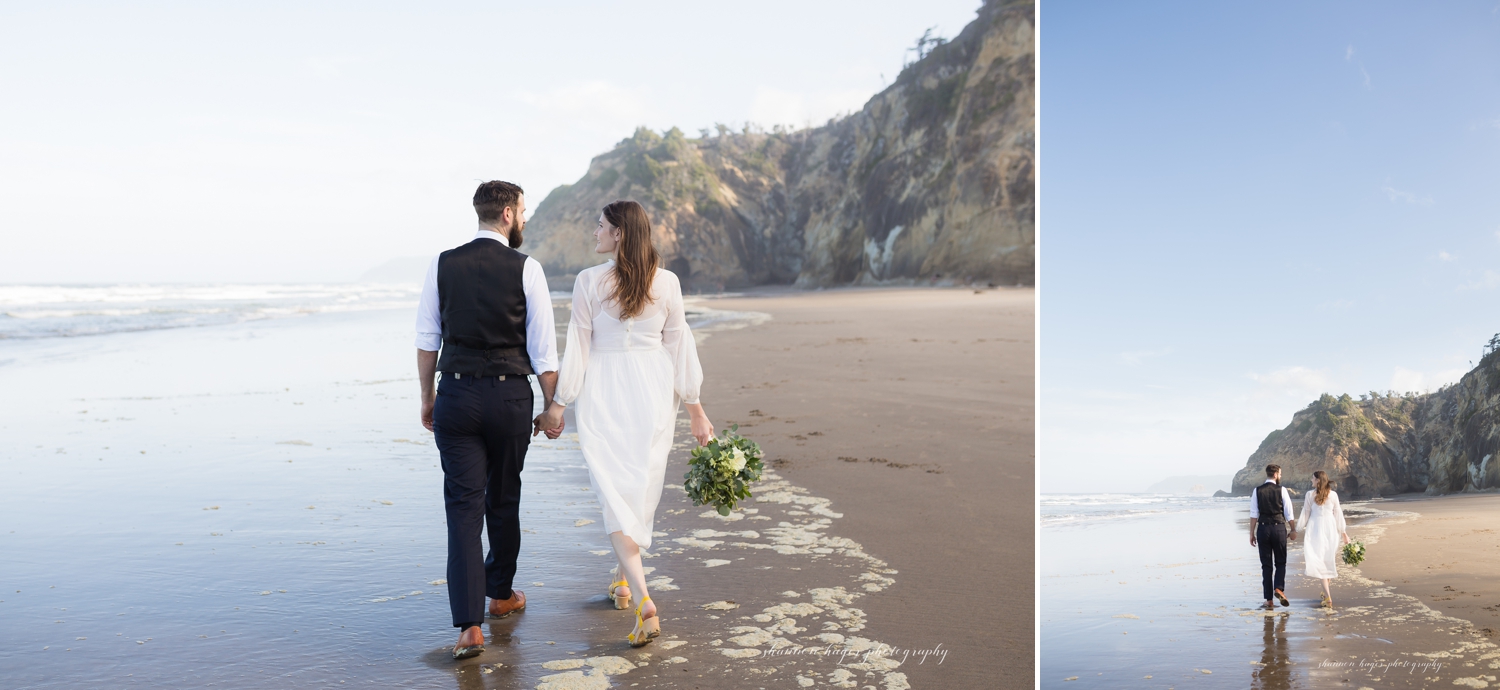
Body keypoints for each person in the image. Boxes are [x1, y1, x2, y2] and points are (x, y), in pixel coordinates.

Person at [533, 200, 714, 647]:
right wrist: (695, 408)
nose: (594, 232)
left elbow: (579, 348)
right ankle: (624, 581)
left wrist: (560, 404)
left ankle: (645, 601)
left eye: (600, 226)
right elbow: (679, 349)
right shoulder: (667, 282)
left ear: (619, 234)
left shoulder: (589, 282)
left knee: (613, 492)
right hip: (654, 392)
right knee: (637, 486)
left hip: (605, 392)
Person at [415, 181, 559, 660]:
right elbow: (543, 350)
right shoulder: (527, 268)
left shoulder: (442, 263)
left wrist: (428, 397)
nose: (525, 219)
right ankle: (500, 596)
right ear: (507, 215)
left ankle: (468, 629)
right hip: (509, 398)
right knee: (503, 496)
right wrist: (551, 405)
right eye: (523, 211)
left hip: (455, 394)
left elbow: (426, 338)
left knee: (462, 508)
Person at [1248, 464, 1297, 610]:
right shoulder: (1282, 490)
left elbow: (1253, 514)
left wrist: (1251, 533)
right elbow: (1289, 512)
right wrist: (1293, 529)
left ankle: (1269, 600)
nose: (1280, 476)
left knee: (1266, 565)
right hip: (1279, 528)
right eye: (1280, 474)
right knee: (1280, 562)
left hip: (1263, 529)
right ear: (1275, 474)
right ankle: (1279, 589)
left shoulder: (1257, 491)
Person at [1298, 470, 1350, 608]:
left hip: (1315, 529)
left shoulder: (1310, 495)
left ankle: (1328, 598)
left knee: (1321, 562)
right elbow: (1338, 514)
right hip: (1331, 529)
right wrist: (1343, 533)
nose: (1311, 480)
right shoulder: (1333, 495)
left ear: (1318, 481)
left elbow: (1306, 514)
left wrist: (1296, 529)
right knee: (1327, 560)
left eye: (1313, 478)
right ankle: (1325, 590)